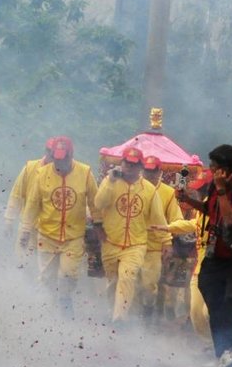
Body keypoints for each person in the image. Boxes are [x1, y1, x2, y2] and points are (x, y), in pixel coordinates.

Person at [177, 144, 232, 367]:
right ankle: (223, 351)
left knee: (231, 303)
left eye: (214, 167)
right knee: (214, 306)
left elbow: (231, 219)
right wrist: (189, 200)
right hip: (215, 258)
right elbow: (211, 212)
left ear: (227, 170)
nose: (211, 171)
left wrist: (222, 190)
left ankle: (227, 353)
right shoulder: (214, 187)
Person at [93, 147, 169, 323]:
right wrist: (110, 181)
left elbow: (158, 217)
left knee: (127, 277)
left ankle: (119, 319)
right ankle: (114, 312)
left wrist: (166, 241)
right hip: (110, 242)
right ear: (122, 163)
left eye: (134, 164)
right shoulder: (109, 181)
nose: (130, 167)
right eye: (127, 163)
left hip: (136, 245)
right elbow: (98, 203)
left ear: (140, 167)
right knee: (112, 284)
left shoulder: (149, 189)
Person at [21, 136, 96, 314]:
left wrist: (97, 223)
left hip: (73, 237)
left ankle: (65, 302)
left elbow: (94, 202)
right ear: (53, 156)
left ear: (71, 156)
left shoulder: (85, 173)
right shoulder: (42, 174)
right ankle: (46, 313)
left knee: (68, 275)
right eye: (57, 159)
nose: (60, 164)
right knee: (46, 279)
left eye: (64, 159)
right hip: (46, 236)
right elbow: (32, 205)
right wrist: (24, 230)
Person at [140, 155, 186, 321]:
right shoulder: (133, 186)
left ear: (159, 172)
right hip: (130, 243)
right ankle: (130, 322)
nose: (149, 174)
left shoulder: (168, 193)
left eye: (153, 171)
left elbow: (176, 219)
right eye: (146, 170)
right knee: (129, 282)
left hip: (155, 246)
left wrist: (169, 240)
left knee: (149, 285)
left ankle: (147, 317)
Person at [5, 140, 54, 261]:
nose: (52, 156)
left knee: (45, 267)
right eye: (49, 151)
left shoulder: (63, 174)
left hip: (51, 231)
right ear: (46, 151)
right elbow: (17, 194)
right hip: (28, 227)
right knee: (22, 261)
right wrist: (9, 219)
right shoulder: (30, 168)